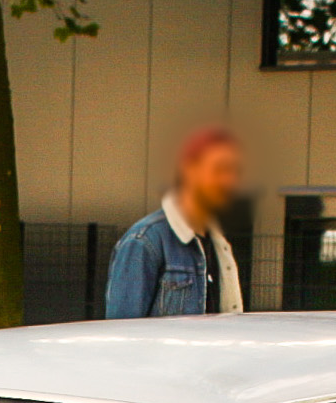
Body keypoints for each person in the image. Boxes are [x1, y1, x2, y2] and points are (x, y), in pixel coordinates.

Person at [105, 127, 246, 319]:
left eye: (234, 171)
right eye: (220, 169)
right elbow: (121, 335)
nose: (229, 181)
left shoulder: (219, 244)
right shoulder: (144, 241)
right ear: (190, 169)